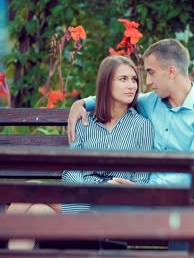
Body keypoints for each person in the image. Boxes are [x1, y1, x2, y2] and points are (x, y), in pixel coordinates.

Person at [7, 55, 154, 250]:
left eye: (134, 79)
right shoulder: (84, 123)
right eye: (123, 79)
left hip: (111, 205)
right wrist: (93, 187)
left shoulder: (142, 126)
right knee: (35, 213)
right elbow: (72, 173)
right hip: (79, 199)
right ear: (106, 83)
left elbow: (142, 181)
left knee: (33, 188)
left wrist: (115, 186)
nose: (132, 86)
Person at [68, 39, 194, 211]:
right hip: (146, 198)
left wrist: (143, 190)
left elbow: (191, 173)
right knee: (106, 206)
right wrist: (82, 103)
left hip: (193, 197)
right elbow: (115, 96)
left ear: (171, 71)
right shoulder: (150, 102)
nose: (148, 81)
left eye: (151, 72)